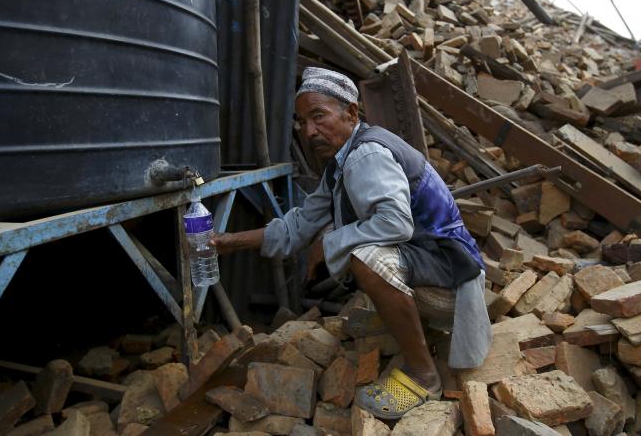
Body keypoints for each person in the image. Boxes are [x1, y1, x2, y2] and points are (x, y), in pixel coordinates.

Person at [210, 67, 491, 420]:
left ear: (351, 113)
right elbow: (298, 225)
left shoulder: (365, 155)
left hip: (454, 274)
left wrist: (328, 243)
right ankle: (411, 329)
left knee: (365, 258)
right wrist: (229, 242)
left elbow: (395, 222)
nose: (310, 131)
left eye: (318, 116)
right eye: (302, 122)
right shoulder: (340, 164)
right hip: (434, 264)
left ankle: (425, 376)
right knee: (359, 251)